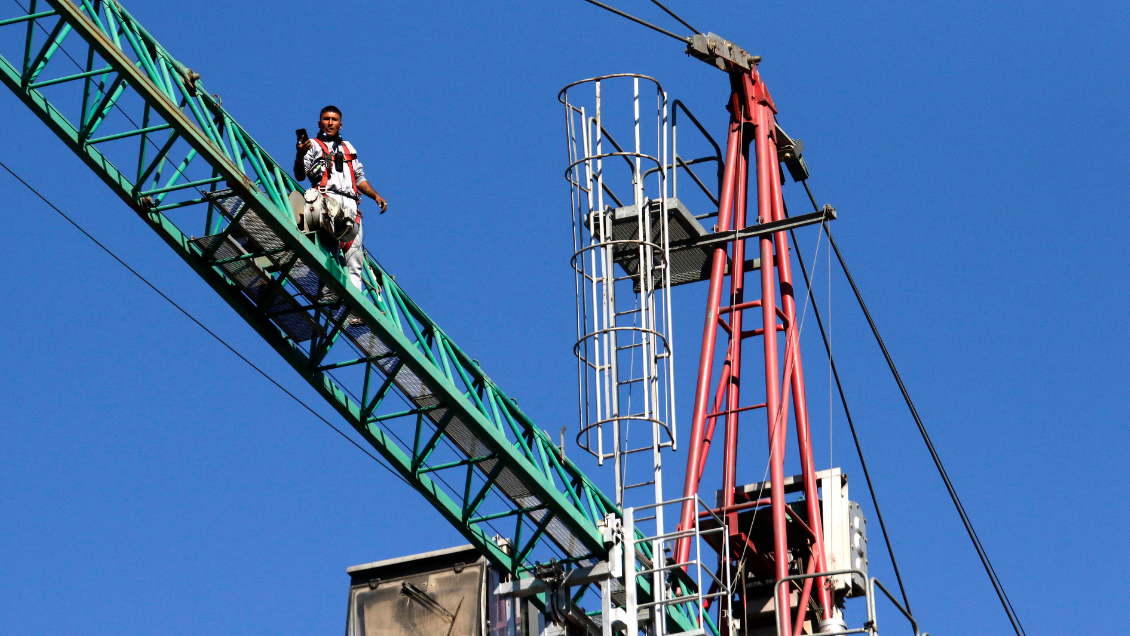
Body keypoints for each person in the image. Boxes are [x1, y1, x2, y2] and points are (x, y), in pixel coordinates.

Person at [293, 105, 387, 293]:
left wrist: (375, 196)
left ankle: (354, 310)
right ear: (319, 123)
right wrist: (301, 153)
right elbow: (300, 175)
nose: (330, 123)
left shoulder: (348, 148)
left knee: (355, 260)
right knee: (329, 254)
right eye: (326, 119)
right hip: (327, 202)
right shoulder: (312, 145)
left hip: (351, 207)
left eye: (334, 119)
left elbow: (359, 177)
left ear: (340, 124)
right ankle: (326, 294)